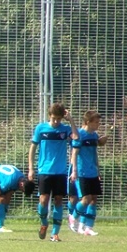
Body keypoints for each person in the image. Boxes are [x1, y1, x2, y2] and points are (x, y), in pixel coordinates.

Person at [28, 102, 78, 242]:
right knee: (43, 200)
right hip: (44, 170)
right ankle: (44, 223)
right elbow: (32, 148)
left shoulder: (65, 129)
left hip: (60, 171)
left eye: (59, 119)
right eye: (54, 118)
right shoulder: (41, 128)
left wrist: (71, 120)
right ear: (49, 116)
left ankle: (55, 233)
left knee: (58, 200)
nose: (56, 121)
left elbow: (76, 137)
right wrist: (31, 168)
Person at [70, 110, 108, 236]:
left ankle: (87, 227)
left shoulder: (94, 135)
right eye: (96, 122)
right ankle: (73, 217)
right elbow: (74, 153)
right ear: (87, 122)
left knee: (94, 200)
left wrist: (98, 170)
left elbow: (95, 153)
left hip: (93, 172)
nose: (98, 124)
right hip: (82, 172)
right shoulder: (80, 134)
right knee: (86, 199)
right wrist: (74, 170)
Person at [0, 164, 35, 232]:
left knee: (3, 200)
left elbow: (10, 194)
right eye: (22, 190)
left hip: (1, 177)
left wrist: (5, 207)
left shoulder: (20, 180)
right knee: (1, 198)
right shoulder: (10, 180)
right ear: (22, 185)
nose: (21, 191)